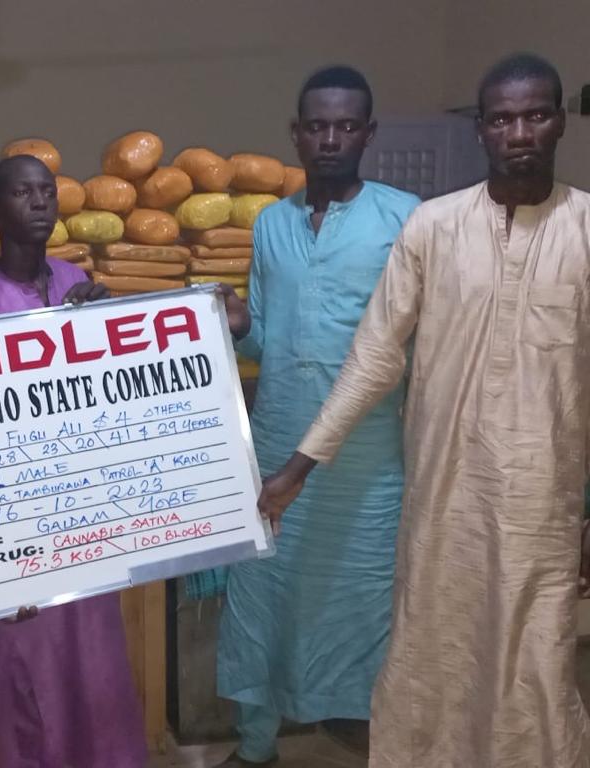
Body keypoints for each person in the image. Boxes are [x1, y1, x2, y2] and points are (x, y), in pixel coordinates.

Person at [258, 53, 590, 766]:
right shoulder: (433, 228)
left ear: (560, 121)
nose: (519, 133)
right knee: (433, 654)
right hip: (442, 497)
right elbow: (375, 359)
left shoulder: (587, 228)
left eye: (535, 115)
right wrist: (297, 470)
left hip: (543, 504)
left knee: (536, 659)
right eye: (502, 119)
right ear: (482, 130)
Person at [213, 66, 419, 767]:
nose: (331, 138)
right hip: (278, 441)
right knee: (264, 596)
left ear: (369, 133)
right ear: (296, 135)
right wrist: (241, 325)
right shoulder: (272, 223)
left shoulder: (407, 219)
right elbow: (266, 341)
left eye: (346, 125)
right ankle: (256, 747)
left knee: (364, 603)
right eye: (317, 126)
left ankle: (376, 740)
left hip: (367, 460)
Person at [0, 154, 149, 768]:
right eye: (21, 193)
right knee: (28, 681)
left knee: (99, 672)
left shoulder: (77, 285)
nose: (38, 203)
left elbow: (110, 401)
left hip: (85, 521)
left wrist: (100, 327)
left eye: (47, 192)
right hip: (15, 532)